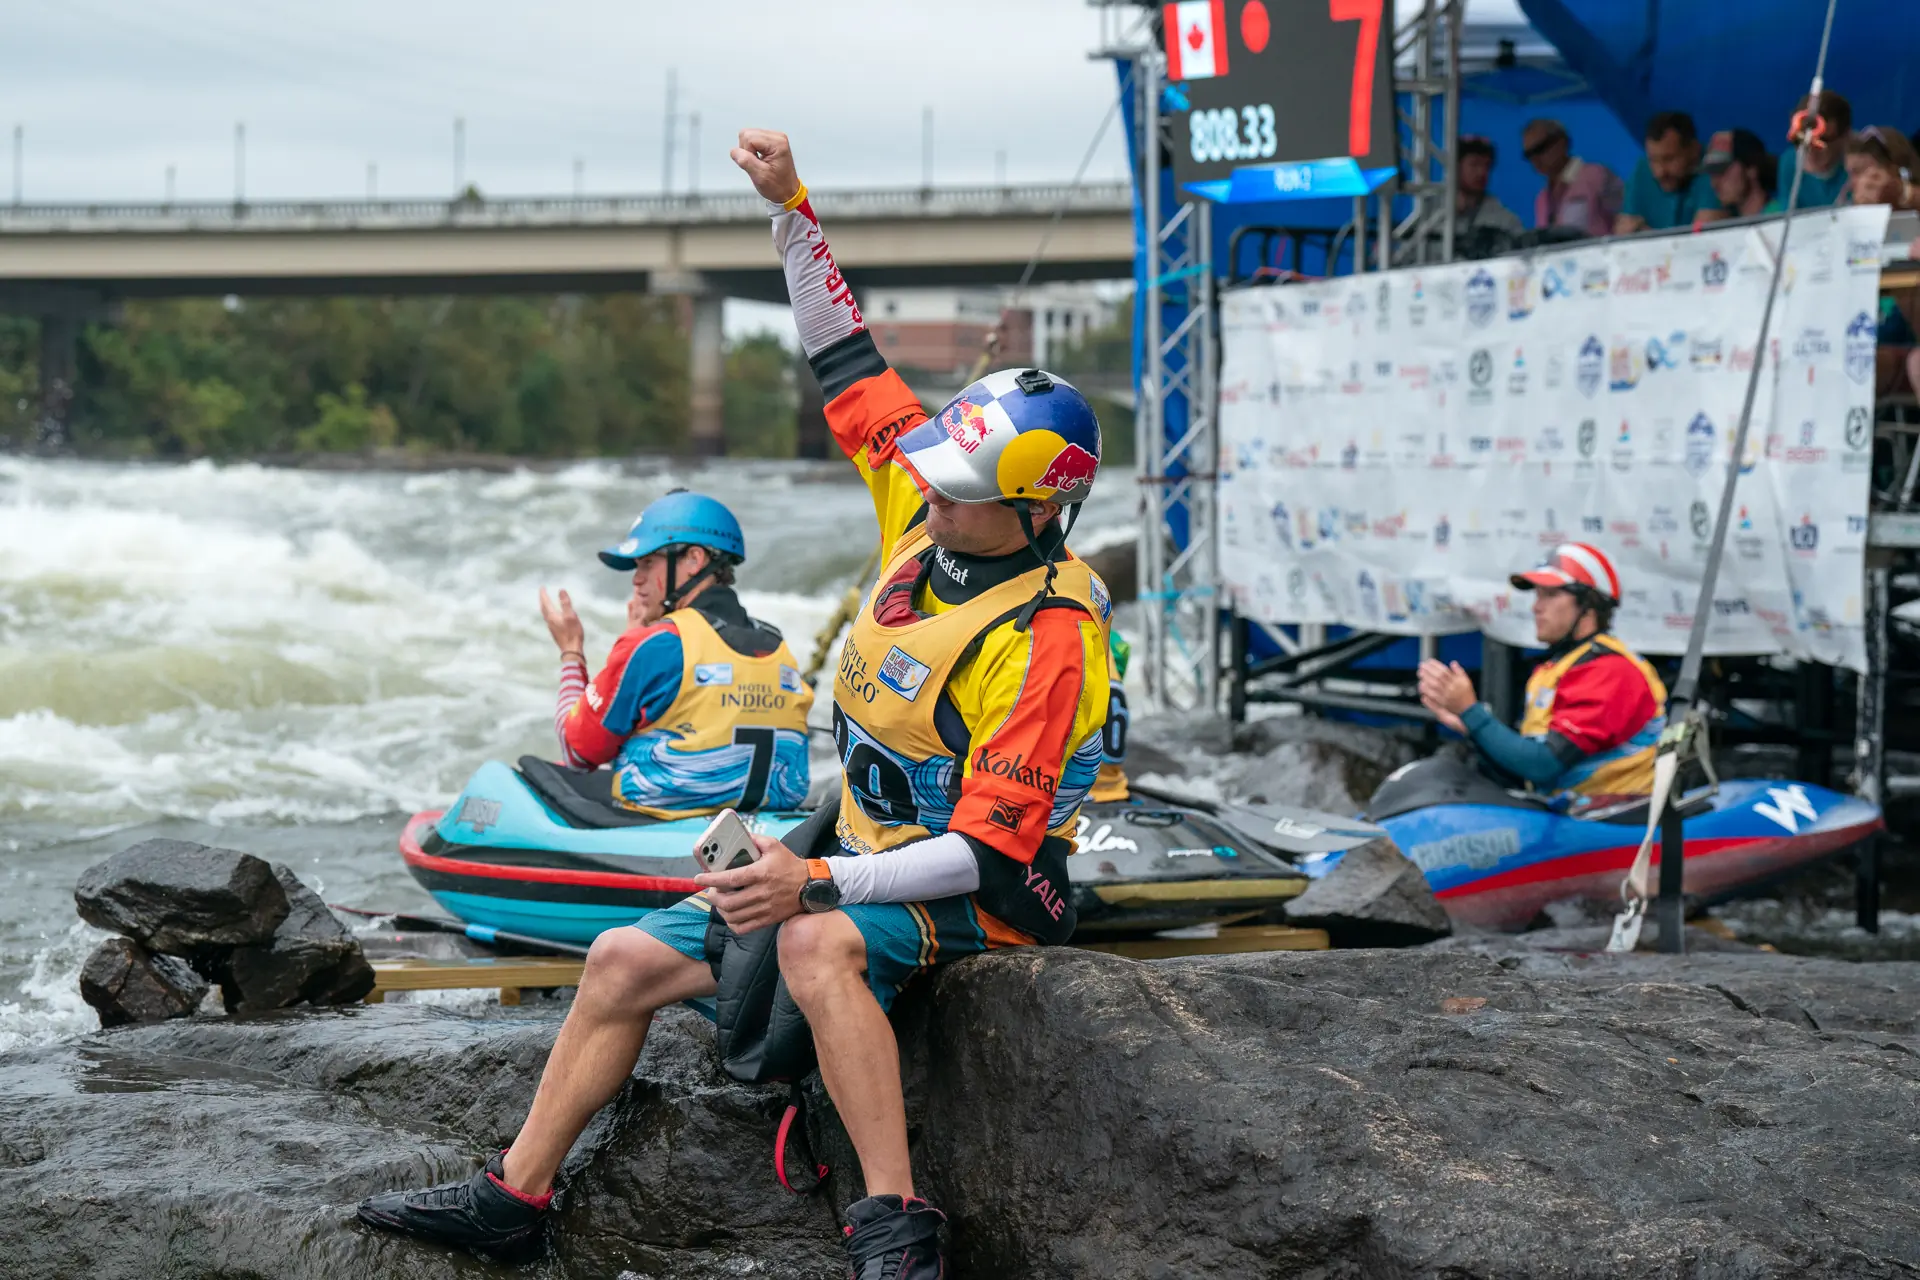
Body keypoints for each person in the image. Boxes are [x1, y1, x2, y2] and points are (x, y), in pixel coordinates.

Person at [357, 128, 1112, 1280]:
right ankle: (516, 1195)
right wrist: (790, 210)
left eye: (963, 489)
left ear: (1036, 507)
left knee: (811, 942)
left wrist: (812, 876)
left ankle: (896, 1222)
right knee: (617, 958)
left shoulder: (1051, 635)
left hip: (991, 887)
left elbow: (976, 851)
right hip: (858, 845)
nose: (932, 489)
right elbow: (845, 361)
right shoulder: (921, 511)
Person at [535, 489, 813, 817]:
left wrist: (572, 652)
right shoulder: (776, 644)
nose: (636, 580)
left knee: (527, 775)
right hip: (767, 827)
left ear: (694, 560)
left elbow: (577, 750)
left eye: (648, 563)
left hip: (665, 828)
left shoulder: (658, 643)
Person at [1416, 543, 1668, 813]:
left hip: (1619, 828)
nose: (1537, 607)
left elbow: (1542, 767)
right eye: (1538, 595)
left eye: (1549, 595)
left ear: (1588, 606)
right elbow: (1523, 771)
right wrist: (1471, 727)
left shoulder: (1612, 671)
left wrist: (1473, 713)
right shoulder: (1557, 668)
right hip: (1575, 818)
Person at [1615, 111, 1720, 233]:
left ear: (1694, 150)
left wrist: (1645, 232)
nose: (1660, 172)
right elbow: (1625, 230)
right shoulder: (1642, 170)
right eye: (1653, 160)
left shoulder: (1713, 168)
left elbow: (1704, 238)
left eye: (1669, 159)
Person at [1522, 118, 1623, 237]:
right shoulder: (1542, 199)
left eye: (1540, 148)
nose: (1535, 158)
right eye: (1529, 154)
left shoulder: (1596, 176)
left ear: (1562, 142)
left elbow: (1626, 217)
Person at [1774, 90, 1854, 210]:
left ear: (1845, 137)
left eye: (1821, 141)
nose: (1810, 151)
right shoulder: (1790, 163)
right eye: (1800, 141)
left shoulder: (1860, 165)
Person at [1454, 134, 1526, 253]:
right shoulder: (1430, 217)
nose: (1482, 172)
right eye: (1474, 164)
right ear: (1455, 167)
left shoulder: (1506, 222)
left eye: (1487, 166)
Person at [1700, 128, 1777, 222]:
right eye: (1712, 173)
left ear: (1751, 168)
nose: (1715, 183)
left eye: (1722, 170)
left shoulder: (1779, 216)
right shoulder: (1728, 225)